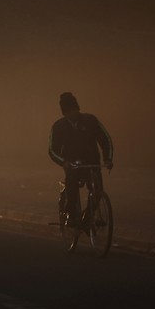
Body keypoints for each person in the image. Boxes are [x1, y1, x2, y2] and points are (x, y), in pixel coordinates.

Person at [48, 92, 113, 226]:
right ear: (64, 113)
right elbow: (52, 150)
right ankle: (71, 214)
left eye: (75, 110)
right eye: (69, 111)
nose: (73, 113)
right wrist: (63, 162)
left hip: (92, 162)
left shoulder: (91, 120)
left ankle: (88, 216)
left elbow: (105, 139)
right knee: (72, 185)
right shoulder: (58, 127)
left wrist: (108, 158)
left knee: (98, 192)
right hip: (72, 164)